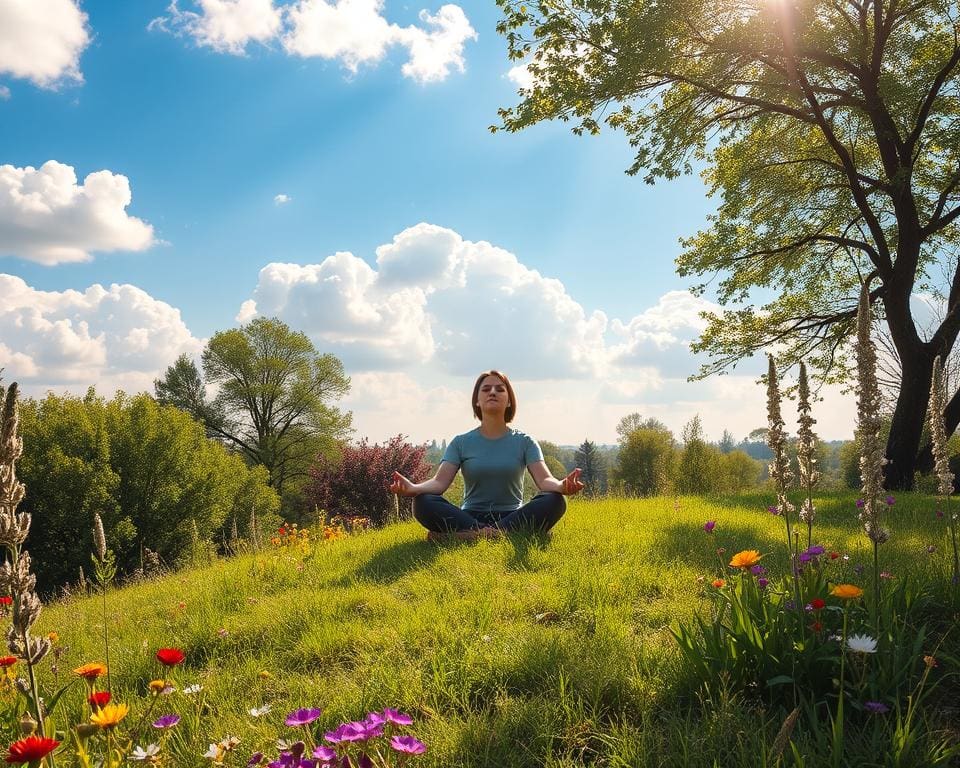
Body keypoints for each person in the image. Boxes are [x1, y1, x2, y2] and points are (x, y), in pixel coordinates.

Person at [389, 370, 584, 540]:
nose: (492, 392)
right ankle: (507, 533)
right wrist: (414, 489)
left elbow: (545, 481)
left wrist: (561, 486)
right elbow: (439, 483)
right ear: (477, 400)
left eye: (500, 389)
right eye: (486, 389)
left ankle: (466, 536)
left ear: (509, 401)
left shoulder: (525, 442)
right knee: (423, 501)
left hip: (512, 516)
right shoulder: (461, 442)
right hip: (469, 517)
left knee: (555, 500)